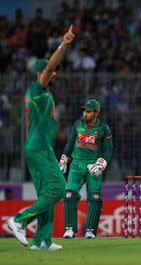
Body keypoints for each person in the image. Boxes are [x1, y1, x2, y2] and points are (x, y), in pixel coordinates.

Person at [6, 25, 76, 250]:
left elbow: (33, 124)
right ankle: (19, 220)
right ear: (41, 73)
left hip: (36, 146)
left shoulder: (37, 93)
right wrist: (63, 45)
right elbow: (50, 67)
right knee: (58, 188)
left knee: (47, 192)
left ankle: (42, 240)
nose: (54, 72)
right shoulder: (38, 88)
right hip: (39, 148)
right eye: (50, 70)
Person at [59, 99, 113, 239]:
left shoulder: (103, 128)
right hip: (76, 164)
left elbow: (108, 149)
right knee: (69, 194)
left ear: (96, 113)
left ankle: (90, 230)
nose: (85, 113)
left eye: (88, 111)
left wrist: (102, 163)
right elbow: (70, 143)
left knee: (95, 197)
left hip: (92, 165)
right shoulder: (77, 125)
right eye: (84, 111)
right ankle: (70, 229)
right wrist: (65, 158)